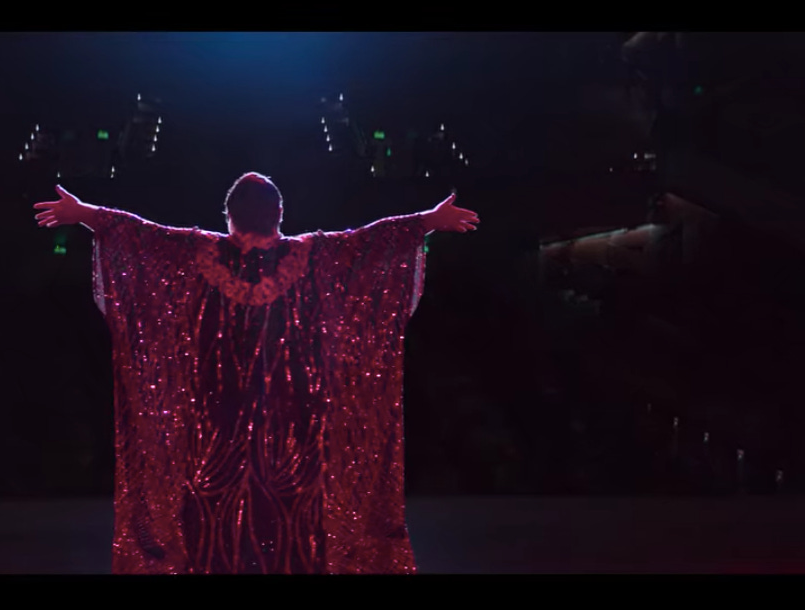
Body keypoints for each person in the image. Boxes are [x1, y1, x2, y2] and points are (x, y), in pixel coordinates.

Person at [34, 173, 478, 574]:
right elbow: (367, 242)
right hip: (293, 427)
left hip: (216, 425)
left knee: (215, 521)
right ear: (280, 213)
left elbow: (141, 235)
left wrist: (86, 214)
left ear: (227, 215)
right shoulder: (311, 254)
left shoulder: (199, 252)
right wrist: (426, 221)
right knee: (293, 523)